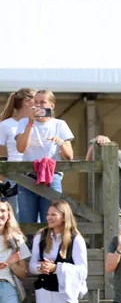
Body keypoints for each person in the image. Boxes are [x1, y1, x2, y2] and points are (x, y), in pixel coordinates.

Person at [15, 90, 73, 224]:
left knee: (53, 221)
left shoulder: (59, 124)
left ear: (51, 105)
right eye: (36, 102)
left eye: (42, 102)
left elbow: (69, 156)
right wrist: (30, 122)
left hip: (52, 176)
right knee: (27, 223)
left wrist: (61, 143)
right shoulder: (24, 122)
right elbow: (21, 148)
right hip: (27, 177)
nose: (38, 105)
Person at [0, 88, 35, 220]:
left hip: (36, 174)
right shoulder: (6, 125)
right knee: (15, 218)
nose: (39, 103)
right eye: (36, 99)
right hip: (14, 177)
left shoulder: (39, 123)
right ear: (27, 102)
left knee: (37, 218)